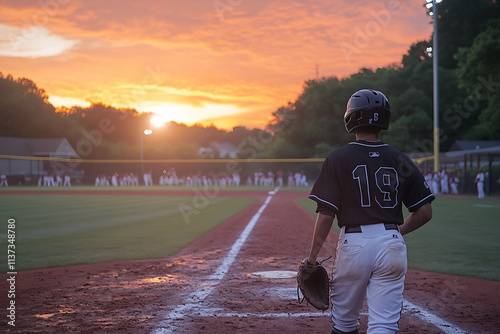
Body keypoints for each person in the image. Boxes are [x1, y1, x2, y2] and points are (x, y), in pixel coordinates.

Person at [305, 89, 434, 334]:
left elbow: (326, 215)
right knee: (384, 325)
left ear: (350, 118)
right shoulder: (401, 159)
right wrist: (397, 233)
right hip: (391, 244)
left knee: (344, 325)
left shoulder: (337, 159)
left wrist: (312, 259)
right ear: (385, 119)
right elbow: (425, 211)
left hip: (354, 245)